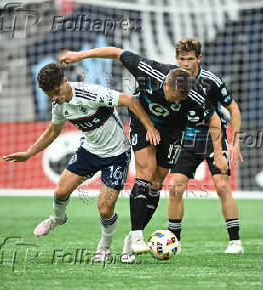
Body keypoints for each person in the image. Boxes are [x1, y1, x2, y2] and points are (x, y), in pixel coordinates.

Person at [61, 48, 228, 263]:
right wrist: (78, 56)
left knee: (156, 182)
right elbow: (116, 52)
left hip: (173, 131)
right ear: (166, 84)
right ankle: (138, 235)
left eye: (180, 100)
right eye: (173, 98)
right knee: (145, 173)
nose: (176, 103)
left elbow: (214, 120)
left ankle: (130, 241)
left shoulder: (195, 94)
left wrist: (219, 154)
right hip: (142, 121)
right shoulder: (148, 70)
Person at [3, 63, 160, 261]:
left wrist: (150, 128)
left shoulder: (91, 93)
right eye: (49, 94)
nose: (54, 98)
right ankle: (58, 219)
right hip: (89, 151)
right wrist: (28, 153)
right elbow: (53, 131)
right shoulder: (59, 105)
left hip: (116, 154)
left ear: (65, 81)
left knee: (104, 208)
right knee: (60, 191)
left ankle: (104, 246)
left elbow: (129, 100)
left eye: (56, 91)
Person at [167, 38, 244, 253]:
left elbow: (234, 109)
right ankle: (174, 241)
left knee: (221, 185)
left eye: (190, 59)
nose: (185, 63)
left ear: (199, 58)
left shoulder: (212, 81)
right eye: (181, 59)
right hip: (186, 139)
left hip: (214, 138)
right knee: (175, 187)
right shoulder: (172, 79)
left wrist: (235, 142)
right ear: (176, 59)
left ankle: (235, 242)